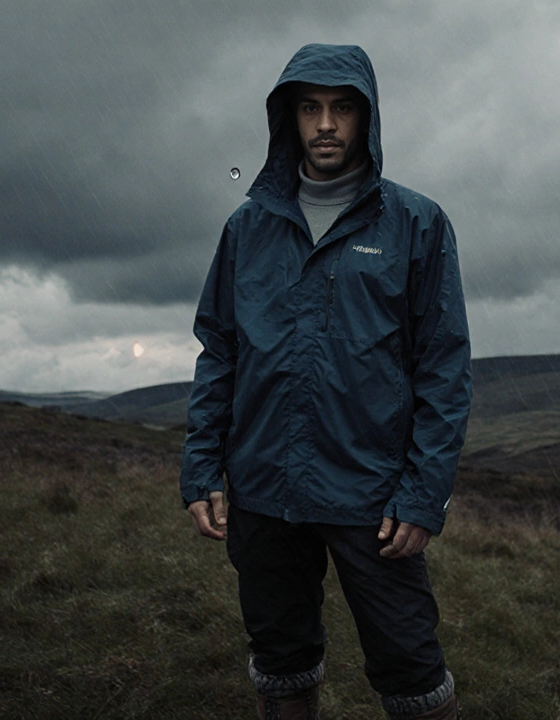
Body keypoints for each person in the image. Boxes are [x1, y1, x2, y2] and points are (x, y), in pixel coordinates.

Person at [180, 43, 471, 720]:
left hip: (372, 495)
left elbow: (443, 364)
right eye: (309, 108)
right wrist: (202, 469)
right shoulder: (247, 227)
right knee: (281, 659)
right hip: (262, 489)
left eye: (342, 108)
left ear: (367, 117)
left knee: (410, 666)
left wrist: (424, 494)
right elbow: (218, 350)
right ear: (288, 118)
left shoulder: (415, 223)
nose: (326, 124)